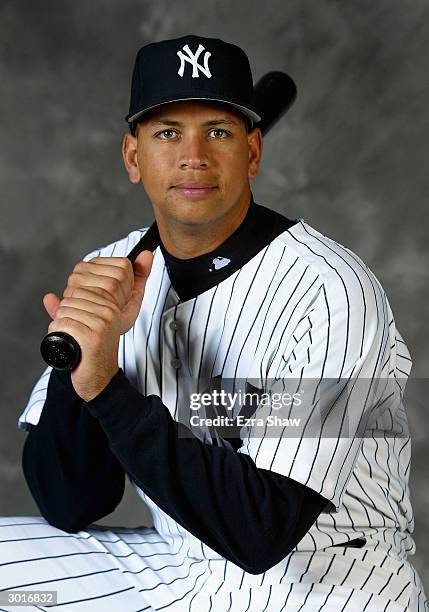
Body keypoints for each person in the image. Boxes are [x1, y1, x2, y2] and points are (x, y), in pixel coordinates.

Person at [1, 34, 427, 611]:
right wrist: (80, 369)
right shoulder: (117, 270)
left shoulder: (328, 289)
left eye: (218, 132)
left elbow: (264, 530)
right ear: (133, 156)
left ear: (252, 153)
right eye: (168, 133)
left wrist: (107, 387)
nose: (193, 156)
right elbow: (72, 503)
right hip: (181, 563)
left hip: (329, 575)